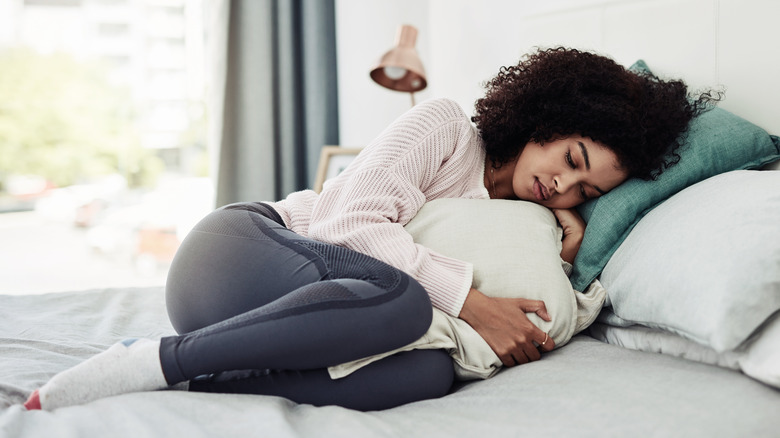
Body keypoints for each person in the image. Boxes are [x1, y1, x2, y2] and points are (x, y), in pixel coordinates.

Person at [24, 47, 712, 411]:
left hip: (298, 319)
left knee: (428, 373)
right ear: (547, 118)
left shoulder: (531, 220)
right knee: (407, 301)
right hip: (240, 255)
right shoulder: (444, 127)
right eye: (571, 160)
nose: (564, 185)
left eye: (586, 190)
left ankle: (194, 383)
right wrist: (469, 301)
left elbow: (527, 294)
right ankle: (153, 359)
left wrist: (561, 244)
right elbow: (347, 223)